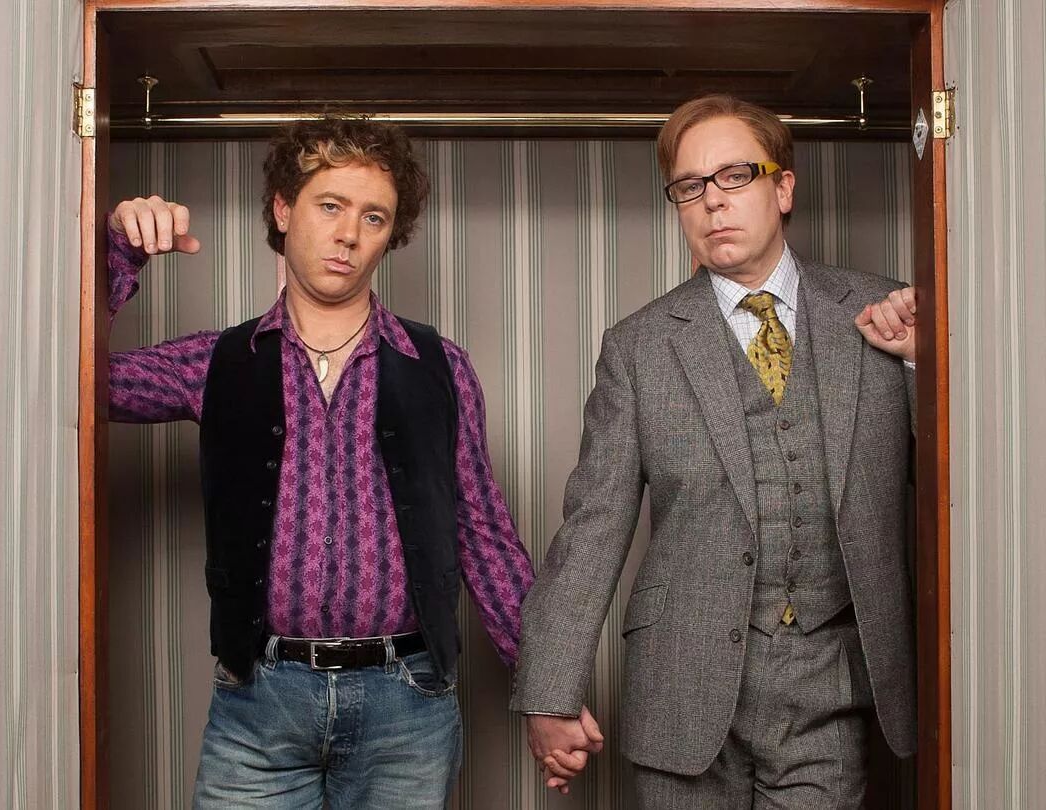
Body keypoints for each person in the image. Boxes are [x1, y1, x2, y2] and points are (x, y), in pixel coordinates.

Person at [106, 115, 534, 809]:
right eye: (330, 205)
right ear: (283, 209)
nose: (349, 234)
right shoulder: (218, 361)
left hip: (408, 705)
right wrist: (118, 258)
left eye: (373, 216)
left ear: (390, 234)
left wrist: (547, 689)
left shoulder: (440, 366)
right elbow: (79, 385)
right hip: (259, 701)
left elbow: (485, 535)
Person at [511, 94, 918, 808]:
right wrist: (549, 689)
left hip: (834, 685)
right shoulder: (639, 347)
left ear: (783, 187)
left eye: (735, 176)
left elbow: (956, 484)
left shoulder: (884, 314)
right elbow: (593, 527)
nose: (713, 202)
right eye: (690, 186)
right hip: (682, 686)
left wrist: (921, 364)